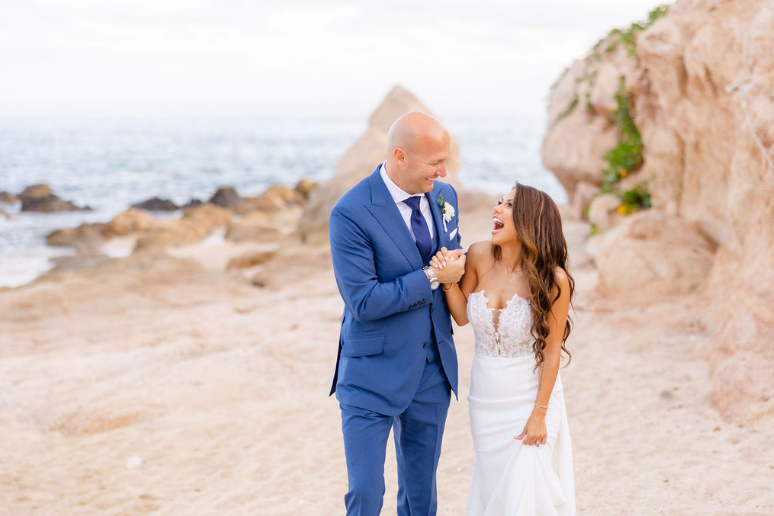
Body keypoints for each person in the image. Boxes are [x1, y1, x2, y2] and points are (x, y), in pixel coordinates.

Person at [328, 111, 465, 516]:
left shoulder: (445, 197)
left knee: (421, 497)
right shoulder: (350, 212)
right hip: (371, 371)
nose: (443, 172)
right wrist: (432, 275)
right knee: (366, 496)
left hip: (432, 369)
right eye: (435, 162)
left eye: (445, 161)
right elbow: (364, 302)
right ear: (400, 156)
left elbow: (453, 262)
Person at [430, 182, 576, 515]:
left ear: (530, 219)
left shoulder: (554, 280)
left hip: (530, 401)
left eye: (508, 205)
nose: (497, 209)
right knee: (497, 491)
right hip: (485, 400)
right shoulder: (479, 254)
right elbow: (461, 317)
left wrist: (539, 414)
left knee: (526, 490)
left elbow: (552, 352)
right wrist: (447, 278)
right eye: (499, 202)